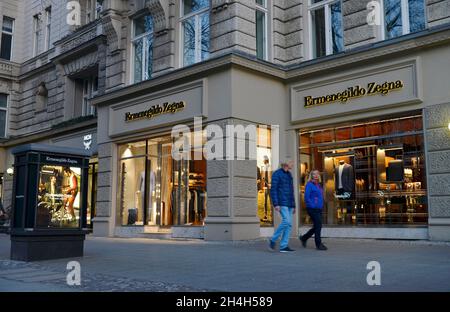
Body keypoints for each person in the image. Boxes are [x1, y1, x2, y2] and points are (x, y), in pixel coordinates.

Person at [268, 159, 296, 253]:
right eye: (292, 162)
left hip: (289, 204)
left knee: (289, 225)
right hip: (282, 203)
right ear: (287, 163)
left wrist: (294, 205)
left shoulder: (289, 175)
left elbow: (292, 191)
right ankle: (273, 239)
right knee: (286, 221)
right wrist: (276, 204)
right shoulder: (277, 174)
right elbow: (273, 190)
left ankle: (283, 246)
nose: (293, 164)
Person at [299, 170, 327, 250]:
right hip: (312, 208)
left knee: (316, 226)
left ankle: (304, 238)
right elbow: (306, 197)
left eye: (317, 174)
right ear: (311, 175)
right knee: (318, 225)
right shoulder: (309, 185)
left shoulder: (318, 185)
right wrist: (313, 205)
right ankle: (318, 244)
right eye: (314, 174)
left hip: (318, 208)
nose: (315, 175)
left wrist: (320, 205)